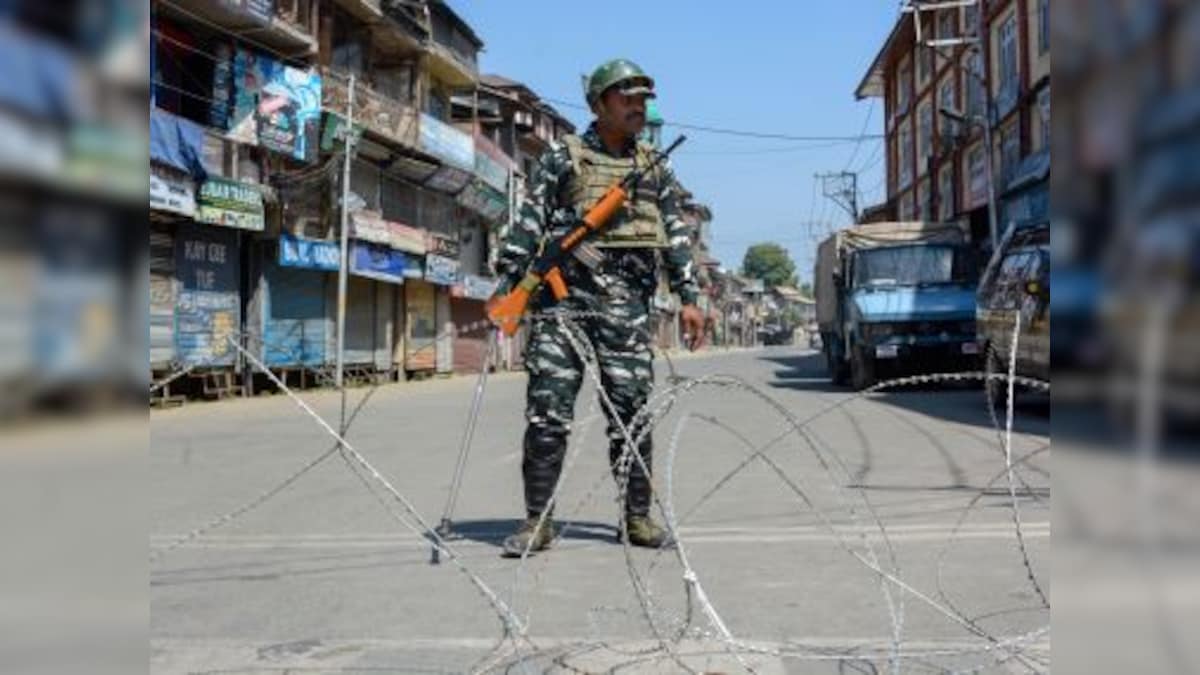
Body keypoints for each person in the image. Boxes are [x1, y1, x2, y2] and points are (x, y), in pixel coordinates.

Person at [491, 58, 706, 557]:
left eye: (642, 100)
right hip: (561, 303)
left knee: (631, 412)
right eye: (626, 98)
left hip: (626, 307)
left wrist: (690, 298)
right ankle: (536, 522)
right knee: (548, 414)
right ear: (598, 104)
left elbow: (675, 236)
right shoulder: (561, 158)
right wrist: (509, 285)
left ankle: (637, 518)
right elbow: (529, 223)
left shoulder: (655, 165)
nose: (638, 107)